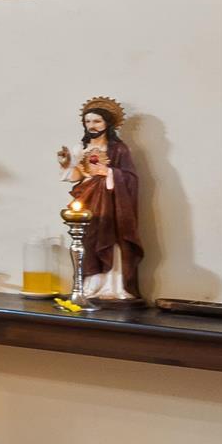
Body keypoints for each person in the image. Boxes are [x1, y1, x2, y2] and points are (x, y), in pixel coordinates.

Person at [58, 96, 143, 301]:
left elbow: (131, 178)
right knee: (89, 239)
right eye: (88, 121)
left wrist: (110, 173)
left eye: (97, 121)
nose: (92, 126)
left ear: (108, 123)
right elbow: (78, 176)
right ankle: (89, 286)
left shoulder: (118, 149)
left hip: (113, 203)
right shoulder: (81, 148)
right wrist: (66, 164)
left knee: (110, 238)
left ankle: (113, 287)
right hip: (87, 200)